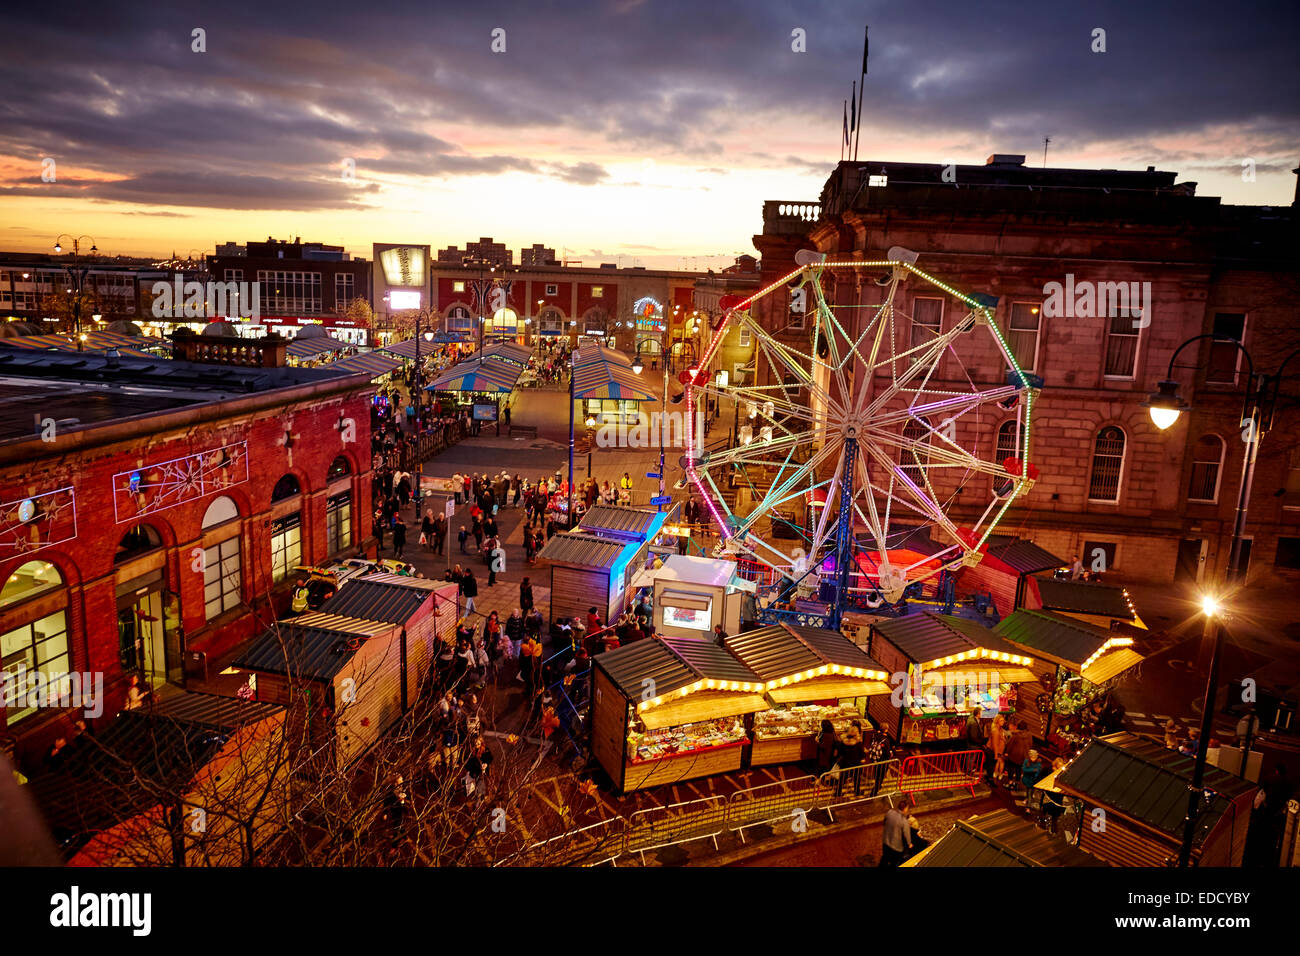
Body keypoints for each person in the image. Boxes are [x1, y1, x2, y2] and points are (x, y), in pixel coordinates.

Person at [834, 721, 864, 797]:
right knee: (857, 779)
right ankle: (857, 791)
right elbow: (861, 753)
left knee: (842, 778)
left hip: (845, 763)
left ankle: (838, 792)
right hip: (855, 764)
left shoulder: (843, 742)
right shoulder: (858, 743)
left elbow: (840, 752)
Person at [880, 801, 912, 866]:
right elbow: (906, 834)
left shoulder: (890, 812)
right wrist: (909, 843)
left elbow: (884, 822)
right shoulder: (904, 821)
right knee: (894, 862)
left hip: (886, 842)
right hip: (896, 847)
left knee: (885, 858)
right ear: (905, 808)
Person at [1005, 720, 1033, 791]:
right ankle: (1016, 783)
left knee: (1011, 768)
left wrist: (1006, 752)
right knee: (1018, 770)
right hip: (1023, 756)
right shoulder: (1029, 735)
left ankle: (1010, 783)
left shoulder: (1015, 735)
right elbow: (1031, 745)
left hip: (1014, 755)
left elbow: (1009, 745)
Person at [867, 727, 892, 796]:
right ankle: (874, 792)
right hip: (883, 761)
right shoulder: (886, 740)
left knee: (877, 773)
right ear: (886, 730)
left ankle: (877, 785)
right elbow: (887, 753)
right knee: (880, 776)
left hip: (875, 759)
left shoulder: (874, 736)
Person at [988, 714, 1008, 784]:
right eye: (1001, 720)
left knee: (1000, 762)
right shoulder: (995, 730)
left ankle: (997, 774)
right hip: (995, 750)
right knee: (996, 763)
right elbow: (995, 744)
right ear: (997, 721)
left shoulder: (1001, 729)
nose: (1003, 722)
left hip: (1000, 750)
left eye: (1003, 720)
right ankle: (994, 775)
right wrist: (996, 755)